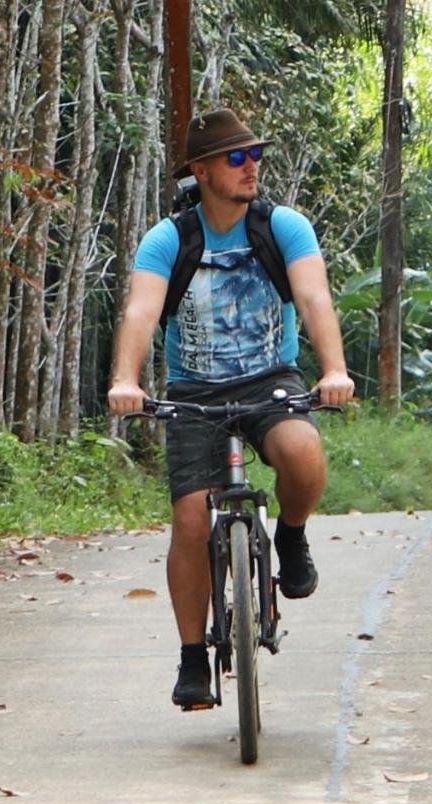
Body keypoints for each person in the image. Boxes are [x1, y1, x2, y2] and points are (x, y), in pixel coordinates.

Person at [107, 108, 355, 708]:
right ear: (201, 170)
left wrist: (334, 370)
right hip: (194, 392)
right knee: (192, 521)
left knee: (303, 453)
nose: (251, 168)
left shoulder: (283, 227)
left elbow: (313, 295)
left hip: (271, 380)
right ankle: (194, 658)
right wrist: (126, 379)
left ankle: (290, 537)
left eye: (256, 156)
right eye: (236, 158)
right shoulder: (170, 239)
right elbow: (141, 311)